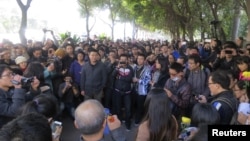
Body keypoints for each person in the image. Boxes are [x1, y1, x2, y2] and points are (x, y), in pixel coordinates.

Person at [164, 62, 191, 126]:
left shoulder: (186, 86)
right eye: (169, 74)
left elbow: (185, 105)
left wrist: (171, 96)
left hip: (180, 117)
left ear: (181, 73)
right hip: (168, 113)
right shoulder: (169, 81)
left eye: (173, 74)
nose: (171, 76)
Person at [112, 54, 134, 131]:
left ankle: (128, 124)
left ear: (127, 60)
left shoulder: (130, 68)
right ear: (119, 59)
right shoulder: (117, 67)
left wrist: (120, 77)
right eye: (122, 59)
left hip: (127, 92)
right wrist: (117, 68)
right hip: (118, 91)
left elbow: (129, 79)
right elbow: (112, 75)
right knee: (118, 108)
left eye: (124, 59)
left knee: (128, 109)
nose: (123, 61)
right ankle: (120, 120)